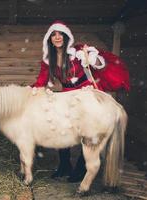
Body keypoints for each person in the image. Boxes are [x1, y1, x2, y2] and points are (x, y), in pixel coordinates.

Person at [32, 20, 130, 182]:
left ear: (66, 36)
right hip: (68, 95)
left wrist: (93, 59)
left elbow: (101, 65)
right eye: (53, 35)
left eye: (60, 34)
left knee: (90, 133)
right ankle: (64, 165)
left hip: (87, 91)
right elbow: (40, 81)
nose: (57, 37)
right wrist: (30, 92)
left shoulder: (77, 51)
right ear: (49, 39)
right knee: (60, 128)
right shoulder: (48, 60)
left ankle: (82, 168)